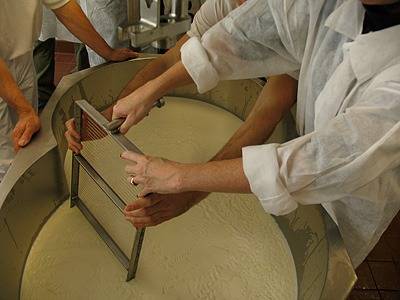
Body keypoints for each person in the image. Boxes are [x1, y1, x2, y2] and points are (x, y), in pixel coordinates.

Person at [116, 0, 400, 269]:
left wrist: (182, 181)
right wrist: (146, 94)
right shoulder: (330, 5)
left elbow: (317, 161)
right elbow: (239, 39)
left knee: (320, 262)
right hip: (291, 168)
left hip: (352, 199)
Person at [0, 0, 137, 182]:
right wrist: (24, 110)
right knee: (4, 158)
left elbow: (64, 7)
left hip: (21, 56)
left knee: (20, 148)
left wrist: (107, 52)